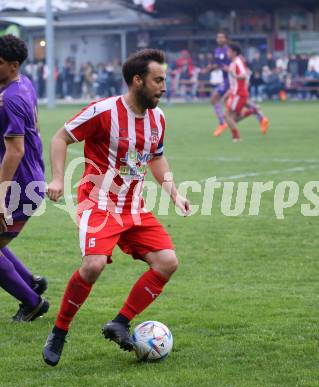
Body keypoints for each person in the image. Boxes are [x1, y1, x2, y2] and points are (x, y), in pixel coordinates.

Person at [42, 49, 190, 366]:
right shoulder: (104, 111)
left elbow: (156, 157)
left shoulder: (158, 118)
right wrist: (57, 178)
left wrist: (174, 194)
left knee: (167, 262)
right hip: (98, 204)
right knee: (93, 266)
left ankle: (120, 322)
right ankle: (59, 330)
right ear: (138, 80)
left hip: (132, 207)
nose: (164, 86)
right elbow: (59, 138)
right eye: (158, 80)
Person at [0, 34, 49, 321]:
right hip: (27, 180)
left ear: (13, 65)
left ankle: (32, 302)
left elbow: (15, 151)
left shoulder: (11, 99)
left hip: (19, 187)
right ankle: (30, 282)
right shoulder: (22, 83)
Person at [224, 42, 268, 141]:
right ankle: (252, 111)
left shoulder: (237, 62)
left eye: (228, 51)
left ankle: (236, 137)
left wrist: (235, 76)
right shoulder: (234, 63)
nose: (227, 53)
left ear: (234, 52)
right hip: (236, 92)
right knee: (233, 118)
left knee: (227, 116)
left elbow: (244, 75)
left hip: (238, 93)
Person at [209, 32, 231, 137]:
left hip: (232, 80)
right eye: (218, 37)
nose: (219, 39)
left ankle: (223, 123)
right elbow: (219, 64)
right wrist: (211, 67)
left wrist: (228, 68)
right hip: (226, 80)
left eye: (222, 37)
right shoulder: (216, 51)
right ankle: (222, 123)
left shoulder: (230, 50)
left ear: (226, 39)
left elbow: (232, 64)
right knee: (215, 99)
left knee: (215, 99)